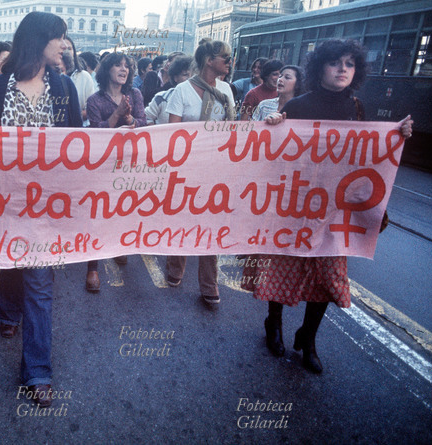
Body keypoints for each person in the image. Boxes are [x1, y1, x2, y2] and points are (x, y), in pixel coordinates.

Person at [247, 39, 412, 373]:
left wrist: (398, 135)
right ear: (320, 67)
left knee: (325, 277)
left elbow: (368, 158)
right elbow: (275, 155)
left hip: (335, 207)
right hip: (296, 204)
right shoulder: (299, 106)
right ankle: (274, 324)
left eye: (350, 64)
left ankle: (307, 338)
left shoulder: (357, 108)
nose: (343, 70)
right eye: (336, 63)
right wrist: (274, 129)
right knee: (285, 266)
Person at [0, 11, 82, 408]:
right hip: (4, 200)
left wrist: (115, 143)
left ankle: (37, 370)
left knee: (39, 280)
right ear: (40, 42)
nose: (64, 47)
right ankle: (8, 312)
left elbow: (78, 146)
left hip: (47, 206)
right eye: (58, 40)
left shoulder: (65, 87)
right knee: (11, 264)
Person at [165, 38, 236, 307]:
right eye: (225, 58)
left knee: (212, 224)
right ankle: (175, 270)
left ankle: (209, 284)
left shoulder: (227, 90)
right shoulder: (181, 91)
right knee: (183, 218)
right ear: (209, 60)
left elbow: (232, 130)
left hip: (217, 168)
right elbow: (172, 135)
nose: (229, 63)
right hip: (186, 168)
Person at [83, 52, 147, 291]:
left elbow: (143, 122)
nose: (124, 70)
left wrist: (131, 119)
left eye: (127, 66)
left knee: (124, 207)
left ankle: (119, 247)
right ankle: (92, 268)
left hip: (129, 161)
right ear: (106, 70)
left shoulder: (135, 94)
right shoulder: (95, 100)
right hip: (103, 164)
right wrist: (117, 114)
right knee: (98, 212)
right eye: (118, 65)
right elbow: (97, 131)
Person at [144, 55, 192, 125]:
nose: (190, 79)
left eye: (193, 75)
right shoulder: (162, 98)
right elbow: (146, 117)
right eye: (185, 75)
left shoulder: (202, 98)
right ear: (175, 78)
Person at [65, 37, 95, 125]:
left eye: (69, 48)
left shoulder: (84, 76)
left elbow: (91, 108)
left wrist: (70, 117)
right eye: (62, 48)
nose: (66, 51)